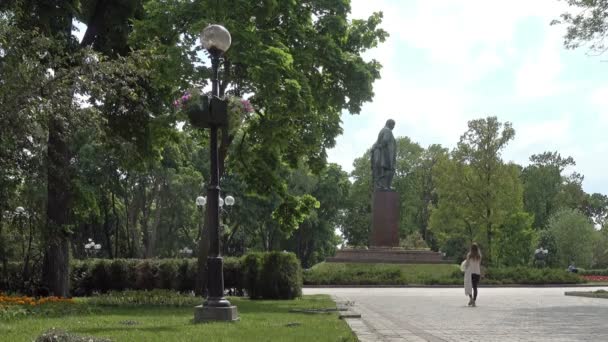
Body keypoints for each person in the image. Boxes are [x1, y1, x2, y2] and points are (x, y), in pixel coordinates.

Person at [371, 119, 397, 190]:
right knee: (390, 170)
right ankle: (386, 186)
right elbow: (385, 140)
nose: (393, 127)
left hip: (382, 155)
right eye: (393, 125)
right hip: (386, 155)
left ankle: (384, 185)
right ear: (389, 124)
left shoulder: (382, 130)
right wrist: (381, 146)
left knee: (384, 171)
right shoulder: (387, 131)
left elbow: (377, 143)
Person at [460, 243, 482, 307]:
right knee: (475, 287)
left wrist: (464, 267)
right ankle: (474, 301)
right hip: (477, 273)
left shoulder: (469, 255)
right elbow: (479, 264)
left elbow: (467, 263)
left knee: (468, 286)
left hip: (470, 273)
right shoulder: (479, 256)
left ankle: (471, 299)